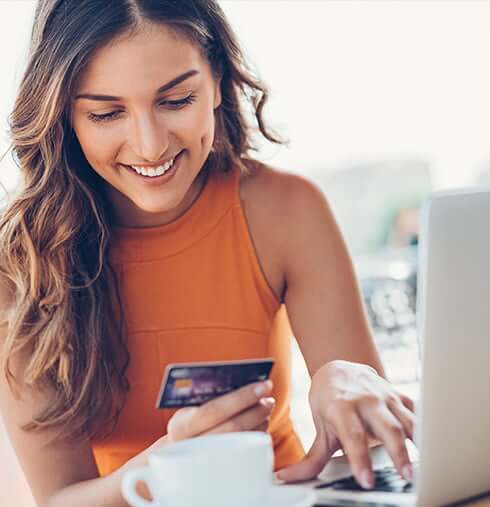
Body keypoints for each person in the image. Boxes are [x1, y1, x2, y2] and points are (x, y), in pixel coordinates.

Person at [0, 1, 415, 506]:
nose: (150, 146)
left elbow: (373, 447)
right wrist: (171, 464)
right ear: (63, 113)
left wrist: (345, 379)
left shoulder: (284, 209)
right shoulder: (22, 263)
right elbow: (59, 500)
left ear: (216, 81)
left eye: (176, 100)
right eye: (106, 113)